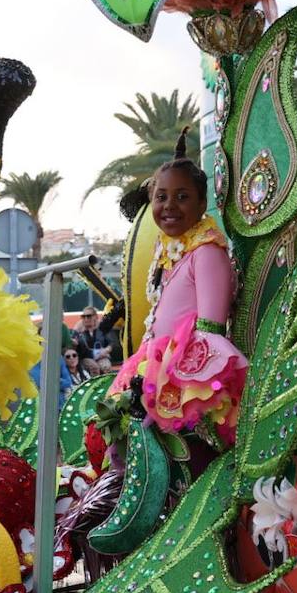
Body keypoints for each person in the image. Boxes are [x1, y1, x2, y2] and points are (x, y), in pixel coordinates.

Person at [110, 141, 247, 445]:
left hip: (192, 382)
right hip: (155, 368)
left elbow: (210, 330)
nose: (169, 205)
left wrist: (171, 386)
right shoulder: (172, 252)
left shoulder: (207, 252)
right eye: (162, 197)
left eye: (182, 197)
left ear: (201, 205)